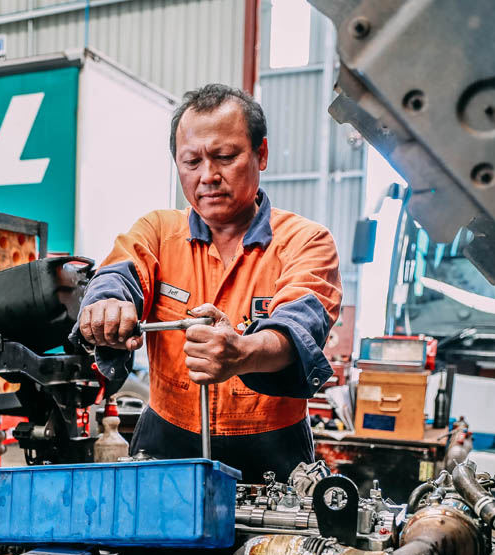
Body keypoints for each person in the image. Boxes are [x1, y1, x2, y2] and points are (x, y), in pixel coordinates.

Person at [72, 83, 341, 481]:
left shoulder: (306, 241)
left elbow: (300, 325)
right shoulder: (158, 232)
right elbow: (119, 272)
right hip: (166, 440)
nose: (208, 176)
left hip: (273, 450)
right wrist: (107, 305)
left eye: (225, 157)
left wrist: (243, 351)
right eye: (191, 161)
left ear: (261, 154)